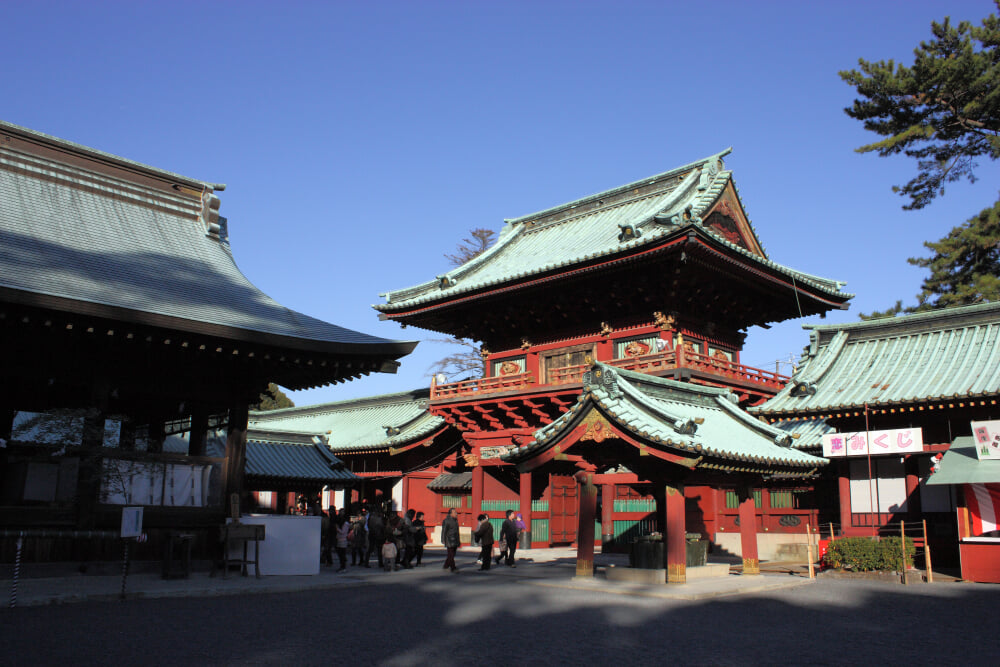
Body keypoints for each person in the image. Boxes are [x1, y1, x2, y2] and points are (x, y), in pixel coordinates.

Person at [441, 507, 460, 573]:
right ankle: (453, 568)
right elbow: (444, 531)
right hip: (449, 539)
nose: (456, 514)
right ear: (450, 513)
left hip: (455, 539)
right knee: (451, 554)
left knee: (452, 554)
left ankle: (446, 565)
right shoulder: (446, 521)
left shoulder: (455, 520)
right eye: (455, 512)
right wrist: (443, 539)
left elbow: (457, 531)